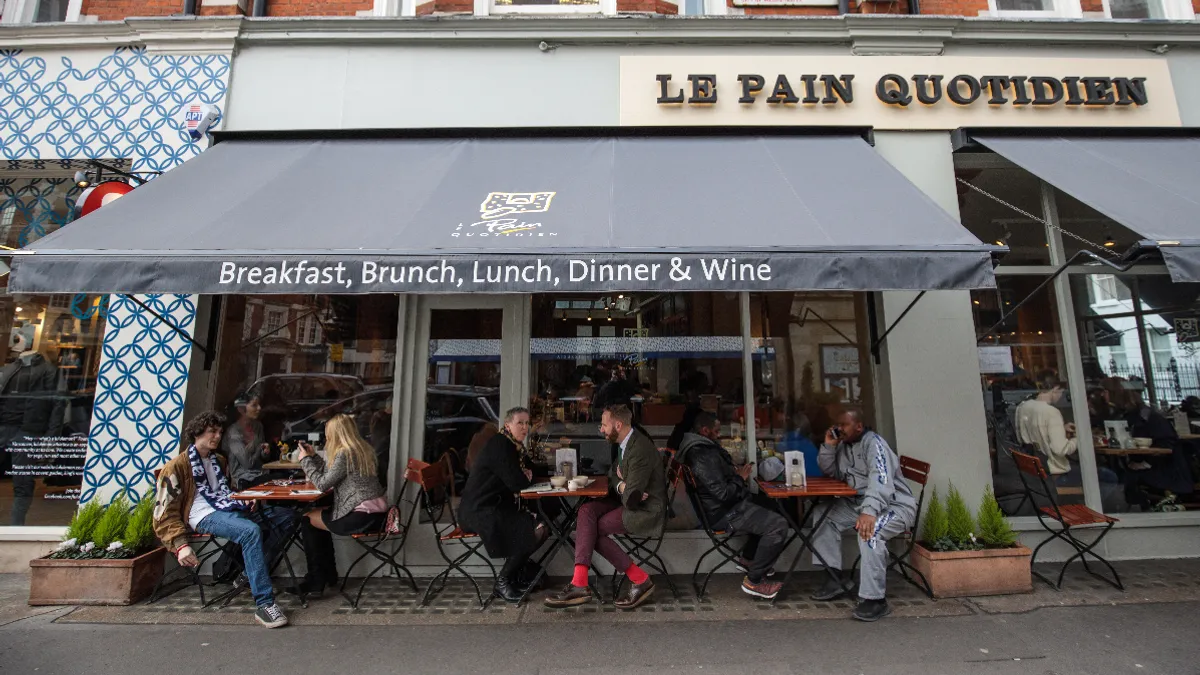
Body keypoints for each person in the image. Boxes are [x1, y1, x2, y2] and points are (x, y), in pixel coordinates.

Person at [152, 411, 294, 628]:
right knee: (250, 531)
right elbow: (163, 514)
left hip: (228, 508)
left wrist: (244, 499)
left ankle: (248, 574)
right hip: (202, 515)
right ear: (197, 433)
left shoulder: (219, 460)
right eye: (212, 431)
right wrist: (180, 545)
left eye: (219, 432)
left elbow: (225, 492)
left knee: (288, 517)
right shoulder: (177, 466)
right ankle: (265, 604)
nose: (217, 436)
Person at [544, 404, 665, 610]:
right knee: (586, 511)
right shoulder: (624, 443)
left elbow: (632, 499)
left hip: (644, 510)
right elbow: (612, 477)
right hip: (626, 502)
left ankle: (639, 579)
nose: (601, 429)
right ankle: (579, 583)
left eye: (604, 425)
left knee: (592, 529)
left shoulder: (639, 449)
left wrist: (625, 486)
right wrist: (622, 484)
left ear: (618, 424)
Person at [808, 410, 917, 622]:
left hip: (894, 505)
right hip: (858, 503)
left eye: (843, 425)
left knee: (870, 532)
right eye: (836, 424)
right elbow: (830, 471)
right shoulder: (843, 444)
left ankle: (875, 599)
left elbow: (881, 478)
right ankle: (834, 577)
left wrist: (870, 511)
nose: (838, 429)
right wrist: (829, 446)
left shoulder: (874, 444)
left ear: (858, 426)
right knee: (823, 515)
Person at [678, 412, 788, 600]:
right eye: (716, 431)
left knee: (771, 504)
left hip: (722, 507)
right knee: (778, 525)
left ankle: (749, 559)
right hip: (724, 513)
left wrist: (732, 473)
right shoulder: (701, 454)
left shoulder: (700, 448)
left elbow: (716, 483)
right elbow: (723, 494)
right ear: (705, 430)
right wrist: (739, 478)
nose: (719, 434)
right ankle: (754, 581)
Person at [458, 407, 548, 603]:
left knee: (543, 520)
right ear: (507, 425)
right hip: (479, 512)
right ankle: (503, 581)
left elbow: (528, 472)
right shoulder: (501, 446)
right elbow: (518, 483)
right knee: (538, 528)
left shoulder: (514, 446)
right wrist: (525, 477)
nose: (525, 427)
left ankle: (517, 574)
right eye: (520, 423)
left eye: (527, 423)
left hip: (494, 508)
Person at [294, 414, 390, 595]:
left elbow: (322, 484)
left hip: (362, 517)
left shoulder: (345, 453)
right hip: (375, 513)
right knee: (316, 516)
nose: (326, 436)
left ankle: (318, 578)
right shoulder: (361, 448)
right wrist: (314, 457)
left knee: (307, 519)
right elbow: (331, 475)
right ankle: (326, 576)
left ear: (336, 434)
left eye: (328, 433)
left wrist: (304, 460)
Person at [1015, 373, 1078, 484]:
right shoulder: (1051, 412)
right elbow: (1061, 450)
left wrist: (1061, 428)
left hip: (1037, 471)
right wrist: (1078, 439)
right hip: (1056, 472)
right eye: (1061, 392)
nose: (1061, 396)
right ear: (1055, 388)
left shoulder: (1023, 407)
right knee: (1108, 476)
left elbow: (1030, 431)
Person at [222, 395, 271, 491]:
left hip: (261, 474)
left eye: (259, 405)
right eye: (254, 405)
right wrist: (258, 448)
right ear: (241, 409)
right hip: (243, 478)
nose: (259, 408)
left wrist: (265, 452)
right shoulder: (233, 433)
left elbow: (263, 458)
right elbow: (248, 464)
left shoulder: (258, 426)